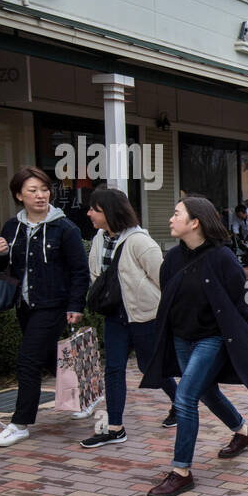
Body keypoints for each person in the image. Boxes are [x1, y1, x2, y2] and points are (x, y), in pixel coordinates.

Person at [140, 197, 248, 496]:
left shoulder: (223, 258)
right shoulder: (171, 259)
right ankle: (243, 432)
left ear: (195, 222)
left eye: (176, 214)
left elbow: (242, 305)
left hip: (211, 339)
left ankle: (181, 472)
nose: (171, 219)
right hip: (181, 338)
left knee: (185, 398)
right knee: (207, 392)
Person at [0, 166, 90, 448]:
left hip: (53, 304)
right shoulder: (12, 227)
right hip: (25, 305)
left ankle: (19, 424)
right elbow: (0, 268)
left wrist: (75, 304)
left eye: (44, 190)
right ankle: (80, 398)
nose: (40, 195)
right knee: (45, 357)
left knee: (27, 362)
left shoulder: (64, 227)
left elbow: (80, 271)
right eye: (33, 190)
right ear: (19, 195)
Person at [79, 188, 178, 448]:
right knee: (113, 369)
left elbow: (163, 279)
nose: (89, 213)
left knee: (149, 366)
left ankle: (179, 402)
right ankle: (115, 428)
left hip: (145, 316)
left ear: (110, 213)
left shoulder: (140, 241)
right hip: (115, 315)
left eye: (95, 210)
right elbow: (95, 272)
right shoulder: (100, 238)